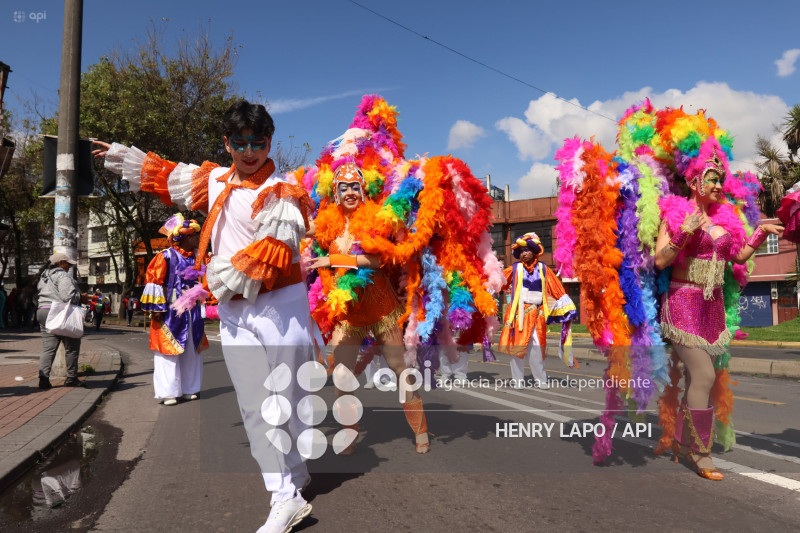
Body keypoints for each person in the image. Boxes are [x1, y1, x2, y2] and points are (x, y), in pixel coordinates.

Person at [93, 99, 315, 533]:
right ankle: (284, 495)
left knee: (285, 401)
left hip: (281, 309)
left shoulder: (287, 191)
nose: (250, 152)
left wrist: (214, 279)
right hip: (235, 313)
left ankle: (294, 471)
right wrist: (118, 155)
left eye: (259, 142)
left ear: (270, 142)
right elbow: (164, 175)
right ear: (227, 142)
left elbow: (270, 255)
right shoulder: (213, 180)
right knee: (255, 403)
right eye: (240, 143)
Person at [654, 139, 783, 480]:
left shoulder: (726, 223)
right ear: (694, 183)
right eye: (710, 179)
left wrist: (758, 235)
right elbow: (660, 260)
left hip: (712, 310)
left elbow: (736, 258)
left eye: (719, 180)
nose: (716, 185)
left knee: (704, 381)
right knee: (705, 376)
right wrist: (686, 230)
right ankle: (701, 453)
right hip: (682, 304)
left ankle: (682, 439)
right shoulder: (675, 216)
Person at [307, 162, 431, 455]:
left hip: (379, 305)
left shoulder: (375, 218)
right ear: (335, 193)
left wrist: (336, 261)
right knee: (341, 371)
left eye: (354, 186)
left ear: (363, 190)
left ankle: (420, 429)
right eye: (343, 187)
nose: (349, 191)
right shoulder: (328, 222)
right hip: (348, 309)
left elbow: (381, 261)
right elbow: (301, 227)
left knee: (399, 367)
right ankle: (349, 429)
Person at [141, 214, 207, 406]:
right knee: (168, 352)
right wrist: (157, 309)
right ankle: (169, 392)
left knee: (192, 350)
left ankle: (190, 389)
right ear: (185, 237)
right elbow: (154, 281)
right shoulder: (165, 256)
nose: (198, 239)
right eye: (195, 236)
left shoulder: (198, 258)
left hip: (193, 311)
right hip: (169, 311)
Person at [498, 232, 578, 390]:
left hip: (538, 314)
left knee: (537, 348)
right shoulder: (515, 268)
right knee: (517, 348)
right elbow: (497, 282)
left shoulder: (543, 269)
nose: (524, 253)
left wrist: (569, 309)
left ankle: (541, 380)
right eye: (521, 251)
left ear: (534, 251)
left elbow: (557, 289)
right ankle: (518, 380)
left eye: (527, 250)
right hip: (519, 314)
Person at [36, 252, 91, 389]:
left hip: (42, 311)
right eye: (67, 264)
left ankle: (43, 379)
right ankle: (71, 378)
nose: (69, 267)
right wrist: (81, 297)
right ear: (61, 263)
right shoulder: (63, 276)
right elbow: (68, 297)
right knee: (72, 347)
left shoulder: (43, 277)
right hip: (59, 313)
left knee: (48, 349)